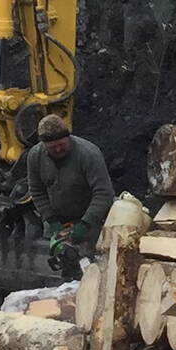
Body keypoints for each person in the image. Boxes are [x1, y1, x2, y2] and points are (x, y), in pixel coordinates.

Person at [23, 113, 115, 272]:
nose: (58, 149)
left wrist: (85, 224)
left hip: (91, 217)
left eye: (61, 144)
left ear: (68, 137)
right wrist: (51, 220)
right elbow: (37, 190)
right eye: (52, 147)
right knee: (67, 260)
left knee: (92, 264)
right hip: (61, 217)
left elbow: (103, 192)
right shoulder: (35, 157)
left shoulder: (88, 154)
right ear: (44, 144)